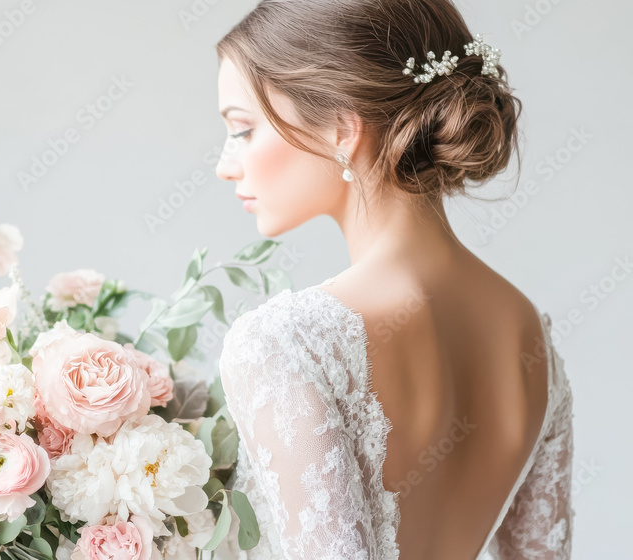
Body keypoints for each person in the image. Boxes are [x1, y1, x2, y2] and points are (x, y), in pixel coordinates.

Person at [214, 1, 575, 559]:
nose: (225, 165)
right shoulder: (529, 333)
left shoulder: (286, 344)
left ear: (341, 125)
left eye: (242, 129)